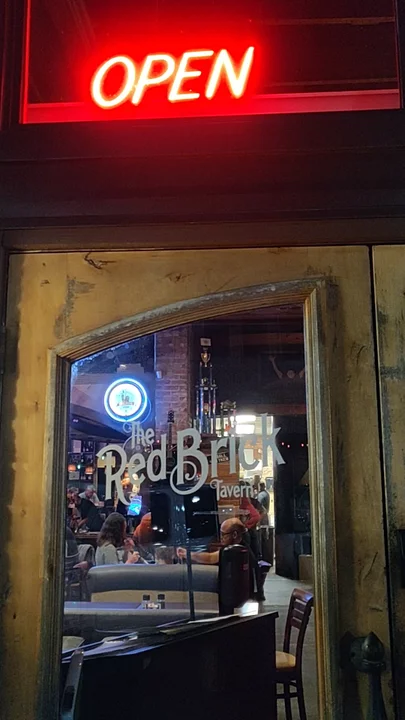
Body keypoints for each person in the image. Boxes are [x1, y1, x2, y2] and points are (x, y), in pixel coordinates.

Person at [177, 518, 264, 600]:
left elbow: (210, 558)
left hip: (239, 599)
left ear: (234, 535)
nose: (221, 538)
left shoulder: (233, 551)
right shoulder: (243, 547)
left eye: (223, 534)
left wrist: (187, 554)